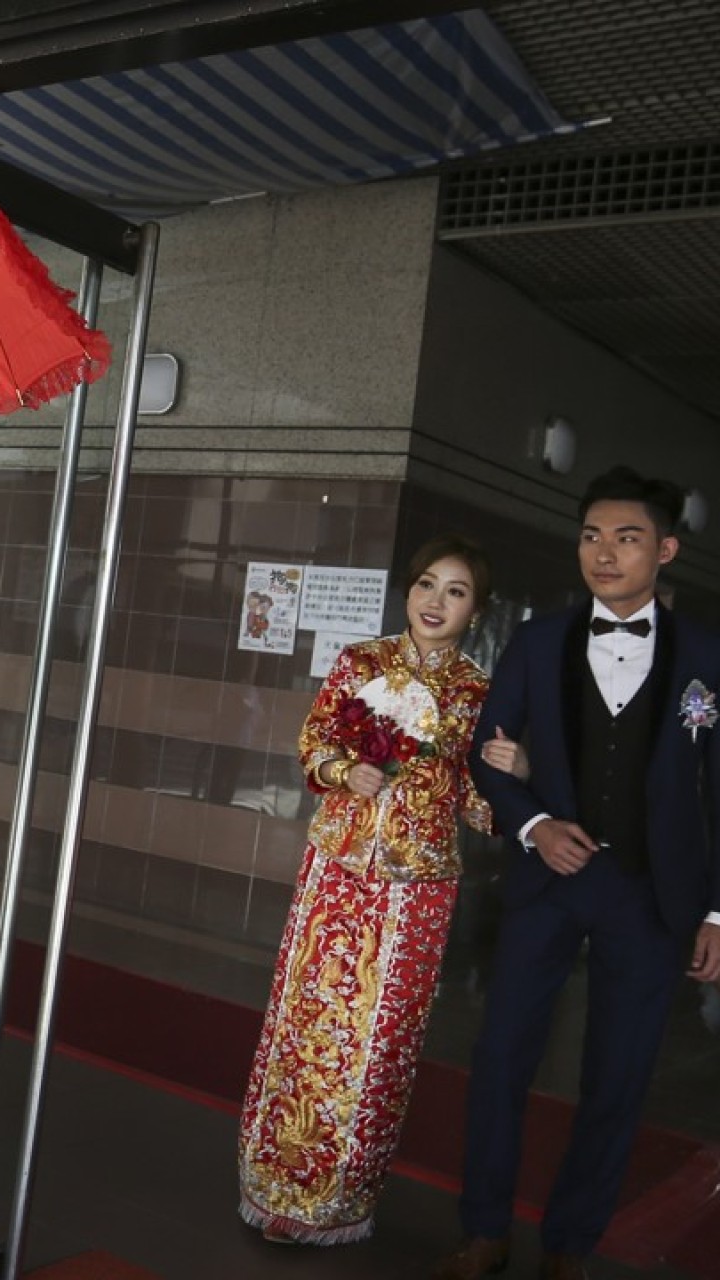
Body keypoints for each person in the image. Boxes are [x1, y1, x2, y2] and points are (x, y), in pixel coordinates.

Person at [436, 466, 720, 1280]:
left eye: (626, 538)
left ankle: (570, 1246)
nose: (604, 553)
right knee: (500, 1060)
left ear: (664, 550)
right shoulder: (536, 641)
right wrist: (533, 822)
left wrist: (718, 914)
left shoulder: (707, 656)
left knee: (618, 1077)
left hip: (652, 897)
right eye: (592, 536)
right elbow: (487, 757)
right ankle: (483, 1233)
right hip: (544, 886)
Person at [238, 534, 522, 1245]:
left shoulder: (479, 695)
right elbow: (314, 743)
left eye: (455, 592)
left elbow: (477, 805)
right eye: (427, 584)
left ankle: (341, 1203)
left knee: (379, 1040)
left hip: (417, 888)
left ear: (477, 611)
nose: (436, 601)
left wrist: (516, 778)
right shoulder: (360, 663)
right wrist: (342, 772)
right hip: (337, 869)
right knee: (305, 1022)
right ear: (410, 590)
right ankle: (272, 1185)